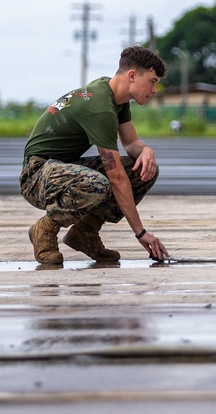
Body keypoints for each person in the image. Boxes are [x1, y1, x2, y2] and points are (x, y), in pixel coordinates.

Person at [19, 46, 170, 265]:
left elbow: (130, 143)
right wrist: (140, 233)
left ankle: (85, 234)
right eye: (152, 81)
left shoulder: (115, 97)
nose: (154, 89)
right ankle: (44, 229)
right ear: (132, 75)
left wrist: (146, 151)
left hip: (62, 167)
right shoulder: (100, 108)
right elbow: (116, 177)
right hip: (36, 175)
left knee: (142, 170)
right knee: (99, 184)